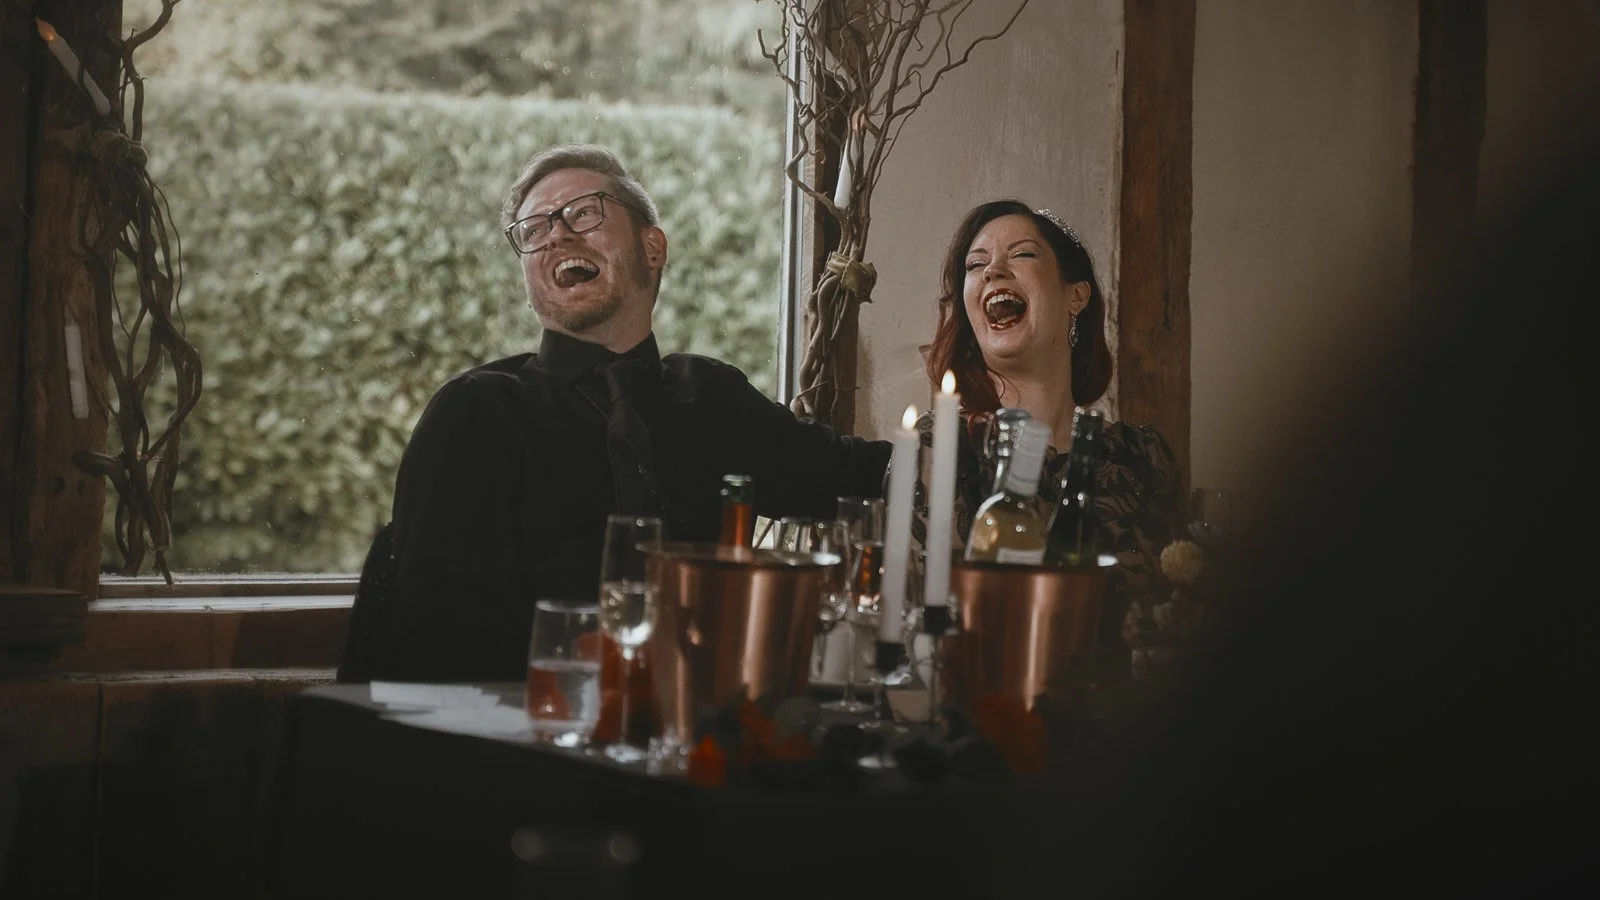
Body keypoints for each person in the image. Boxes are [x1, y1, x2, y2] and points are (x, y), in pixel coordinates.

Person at [373, 143, 891, 682]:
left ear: (652, 247)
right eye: (534, 230)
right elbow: (430, 635)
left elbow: (866, 477)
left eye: (582, 213)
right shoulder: (476, 410)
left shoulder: (712, 397)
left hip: (699, 732)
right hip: (531, 736)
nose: (557, 235)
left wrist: (964, 435)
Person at [913, 199, 1185, 685]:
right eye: (975, 265)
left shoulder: (1144, 457)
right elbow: (927, 627)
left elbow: (1176, 618)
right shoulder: (943, 449)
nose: (993, 270)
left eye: (1021, 255)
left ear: (1076, 295)